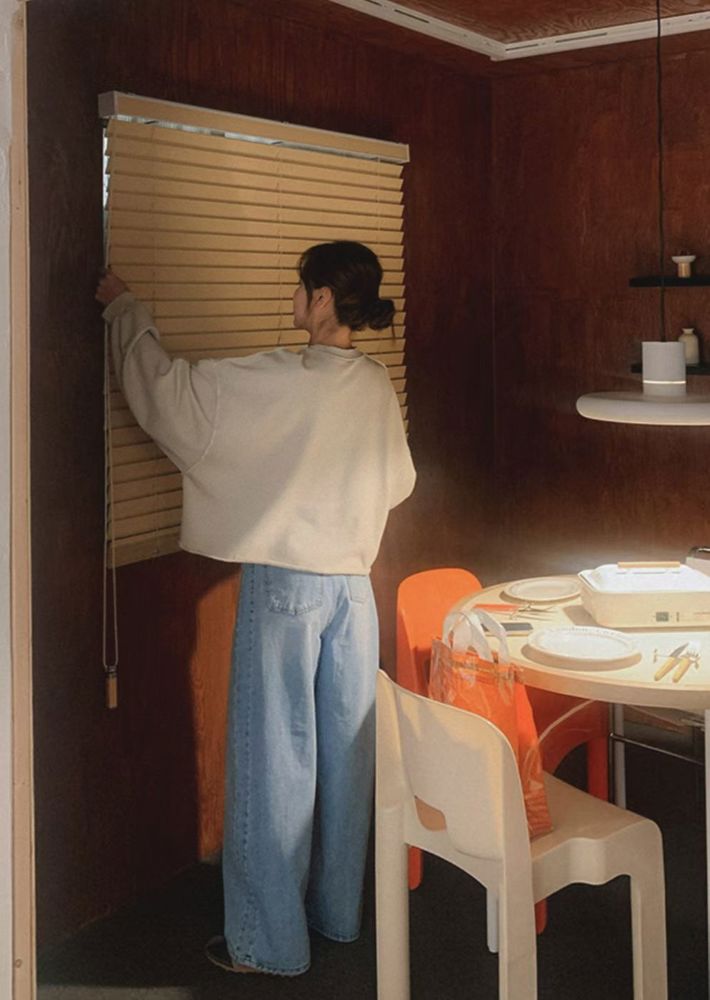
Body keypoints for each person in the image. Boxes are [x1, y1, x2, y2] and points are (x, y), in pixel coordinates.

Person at [96, 240, 416, 977]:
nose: (293, 300)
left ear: (324, 299)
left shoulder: (280, 377)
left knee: (274, 763)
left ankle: (268, 945)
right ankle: (337, 915)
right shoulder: (374, 384)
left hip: (288, 587)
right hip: (353, 590)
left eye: (302, 289)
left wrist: (126, 311)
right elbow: (397, 480)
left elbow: (170, 398)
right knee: (346, 759)